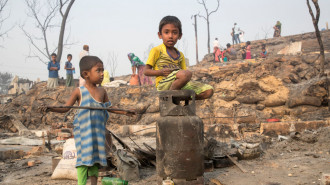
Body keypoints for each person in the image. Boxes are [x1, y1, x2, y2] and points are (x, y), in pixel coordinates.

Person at [41, 56, 133, 185]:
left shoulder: (102, 91)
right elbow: (66, 108)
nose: (102, 74)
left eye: (102, 70)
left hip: (98, 133)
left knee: (95, 161)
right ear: (86, 74)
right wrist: (51, 108)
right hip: (84, 134)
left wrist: (125, 112)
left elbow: (110, 108)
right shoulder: (79, 91)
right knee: (84, 161)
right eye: (98, 71)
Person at [144, 15, 213, 100]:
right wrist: (160, 72)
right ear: (160, 35)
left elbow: (184, 75)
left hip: (179, 83)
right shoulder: (157, 50)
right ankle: (171, 96)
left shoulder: (180, 55)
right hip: (164, 84)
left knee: (209, 90)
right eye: (166, 32)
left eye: (174, 32)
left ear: (180, 36)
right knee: (185, 74)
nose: (170, 36)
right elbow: (146, 71)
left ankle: (181, 97)